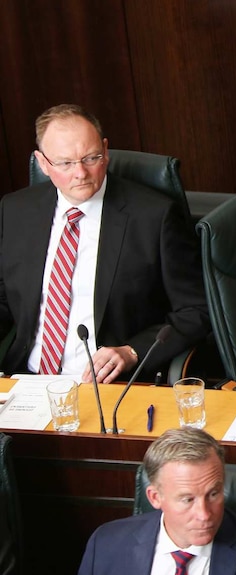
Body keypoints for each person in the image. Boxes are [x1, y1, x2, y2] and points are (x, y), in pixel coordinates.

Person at [0, 104, 210, 383]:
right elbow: (5, 296)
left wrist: (132, 351)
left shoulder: (152, 217)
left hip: (108, 385)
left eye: (91, 158)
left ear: (106, 151)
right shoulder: (16, 210)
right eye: (65, 163)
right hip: (24, 381)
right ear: (42, 163)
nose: (80, 173)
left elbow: (196, 310)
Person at [78, 428, 236, 575]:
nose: (204, 514)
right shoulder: (106, 544)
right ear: (155, 497)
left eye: (213, 494)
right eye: (187, 499)